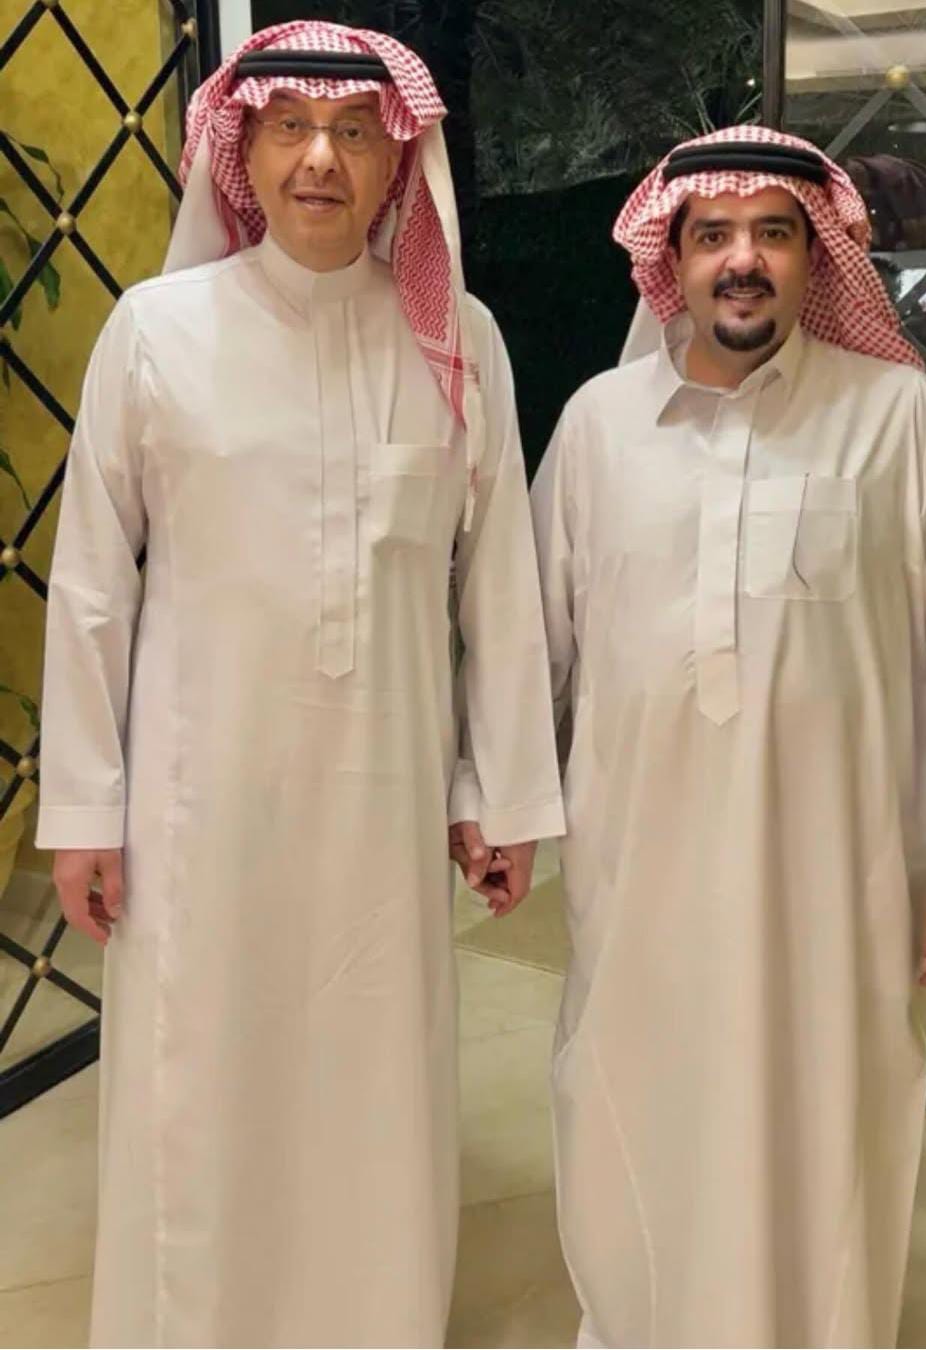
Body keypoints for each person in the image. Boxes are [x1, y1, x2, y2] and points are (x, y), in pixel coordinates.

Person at [37, 21, 563, 1347]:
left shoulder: (458, 340)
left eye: (353, 133)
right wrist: (85, 809)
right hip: (196, 809)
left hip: (384, 810)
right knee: (202, 1077)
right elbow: (93, 584)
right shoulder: (155, 333)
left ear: (399, 161)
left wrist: (499, 793)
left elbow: (495, 582)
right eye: (290, 128)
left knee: (371, 1078)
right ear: (243, 149)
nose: (320, 159)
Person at [530, 126, 926, 1349]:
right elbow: (532, 644)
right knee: (632, 1092)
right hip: (640, 864)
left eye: (773, 233)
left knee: (827, 1110)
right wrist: (496, 802)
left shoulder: (899, 420)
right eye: (713, 235)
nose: (742, 260)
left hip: (838, 873)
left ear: (820, 258)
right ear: (673, 260)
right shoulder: (599, 426)